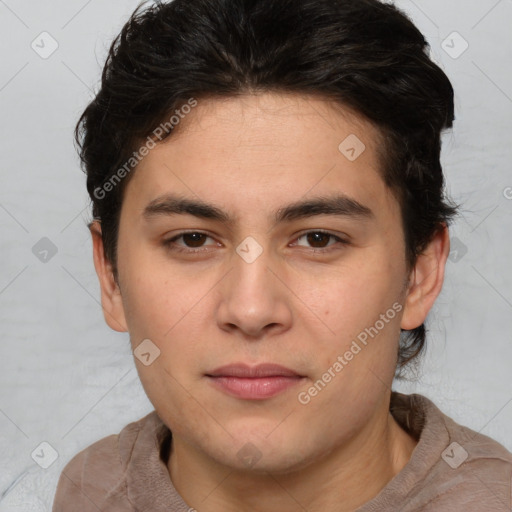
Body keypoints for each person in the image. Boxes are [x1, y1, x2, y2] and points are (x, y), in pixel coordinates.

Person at [52, 0, 512, 510]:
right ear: (110, 275)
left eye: (318, 239)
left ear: (421, 272)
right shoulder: (92, 488)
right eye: (192, 239)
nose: (251, 311)